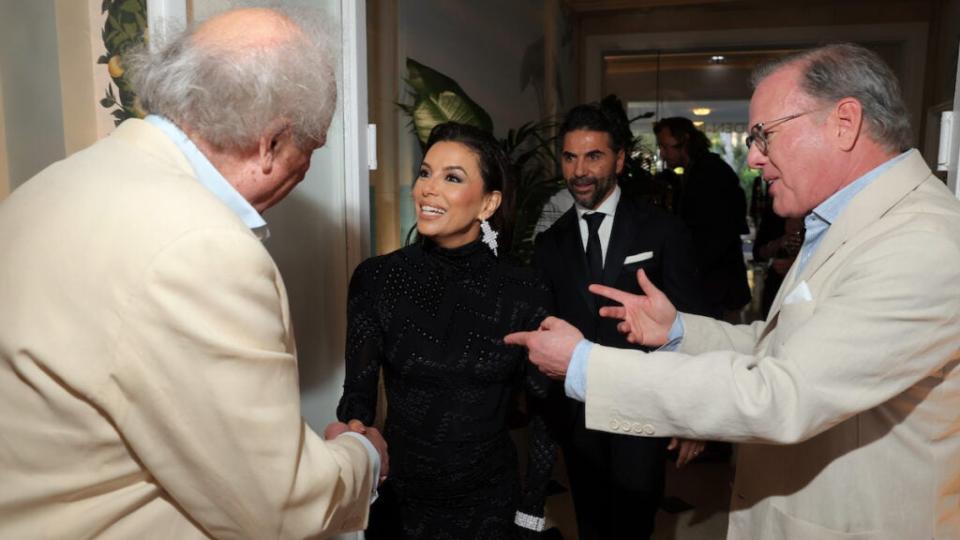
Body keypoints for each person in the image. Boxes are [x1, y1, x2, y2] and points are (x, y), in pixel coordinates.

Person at [506, 43, 960, 539]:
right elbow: (781, 345)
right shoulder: (853, 224)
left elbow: (779, 393)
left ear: (844, 122)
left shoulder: (919, 242)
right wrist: (678, 330)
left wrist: (584, 364)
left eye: (764, 135)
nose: (754, 157)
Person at [0, 8, 386, 539]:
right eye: (309, 149)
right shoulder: (203, 249)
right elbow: (282, 511)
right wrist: (362, 456)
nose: (307, 170)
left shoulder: (47, 186)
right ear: (272, 143)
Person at [336, 122, 557, 539]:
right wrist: (356, 436)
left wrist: (530, 513)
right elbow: (357, 398)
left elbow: (545, 416)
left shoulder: (525, 290)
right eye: (425, 173)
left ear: (488, 204)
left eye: (451, 177)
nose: (427, 189)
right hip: (401, 501)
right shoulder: (378, 279)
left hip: (490, 503)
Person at [533, 97, 706, 540]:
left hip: (642, 407)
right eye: (570, 157)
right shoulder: (550, 243)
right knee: (591, 524)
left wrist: (694, 416)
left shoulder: (662, 230)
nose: (579, 171)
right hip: (579, 414)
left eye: (594, 156)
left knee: (634, 525)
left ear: (620, 159)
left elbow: (695, 322)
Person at [654, 117, 751, 321]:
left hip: (718, 290)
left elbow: (718, 233)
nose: (662, 153)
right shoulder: (699, 171)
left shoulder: (709, 172)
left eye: (665, 146)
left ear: (684, 140)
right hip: (715, 287)